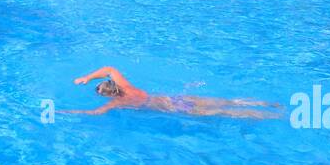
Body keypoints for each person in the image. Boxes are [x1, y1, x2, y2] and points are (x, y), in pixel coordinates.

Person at [67, 67, 283, 119]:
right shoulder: (127, 86)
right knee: (226, 101)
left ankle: (269, 116)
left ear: (109, 95)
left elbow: (94, 113)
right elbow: (109, 69)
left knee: (224, 113)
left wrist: (66, 112)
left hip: (172, 108)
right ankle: (268, 105)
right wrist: (87, 77)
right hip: (175, 99)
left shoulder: (118, 103)